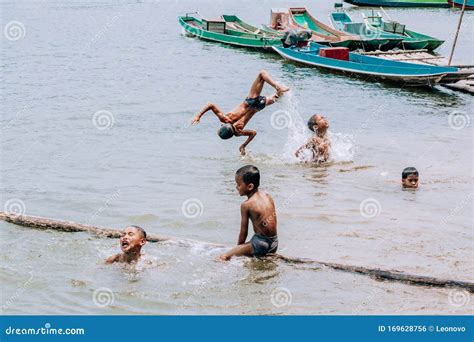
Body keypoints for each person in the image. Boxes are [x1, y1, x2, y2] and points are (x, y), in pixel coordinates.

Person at [191, 70, 289, 155]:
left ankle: (280, 91)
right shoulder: (226, 118)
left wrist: (243, 145)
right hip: (251, 100)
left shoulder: (238, 132)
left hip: (259, 106)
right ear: (224, 126)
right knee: (262, 74)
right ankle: (277, 86)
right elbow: (210, 105)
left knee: (278, 96)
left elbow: (253, 133)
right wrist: (198, 116)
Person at [219, 165, 278, 261]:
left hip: (260, 244)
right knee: (248, 247)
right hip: (274, 243)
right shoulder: (267, 196)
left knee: (223, 257)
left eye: (239, 184)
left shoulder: (246, 205)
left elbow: (243, 233)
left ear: (250, 186)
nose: (236, 187)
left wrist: (237, 251)